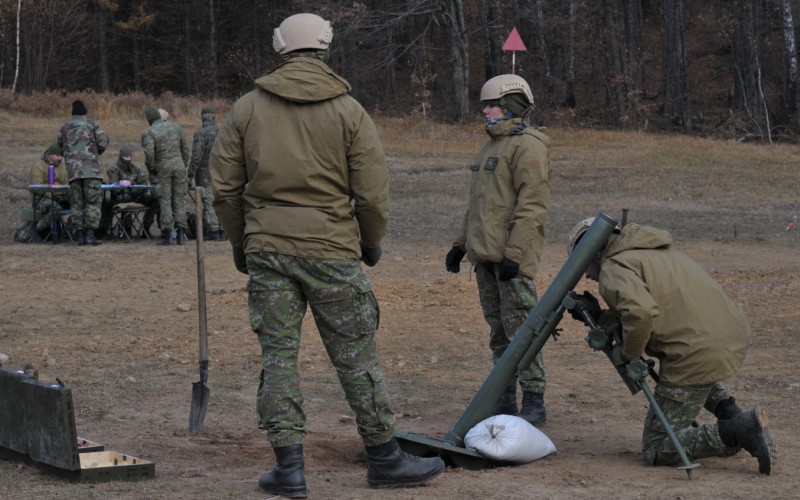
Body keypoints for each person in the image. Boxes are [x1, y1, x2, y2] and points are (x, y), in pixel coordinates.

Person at [209, 12, 444, 497]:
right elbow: (373, 193)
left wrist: (241, 243)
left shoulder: (247, 109)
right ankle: (384, 459)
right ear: (324, 47)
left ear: (280, 48)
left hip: (269, 249)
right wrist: (370, 242)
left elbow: (225, 191)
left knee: (279, 359)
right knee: (356, 357)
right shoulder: (349, 111)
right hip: (333, 249)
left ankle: (289, 468)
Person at [566, 218, 776, 474]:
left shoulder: (613, 269)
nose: (586, 275)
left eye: (583, 265)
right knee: (688, 375)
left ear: (594, 252)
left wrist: (629, 355)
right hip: (725, 336)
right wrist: (600, 317)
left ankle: (736, 430)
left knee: (658, 447)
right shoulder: (648, 251)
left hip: (696, 352)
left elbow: (641, 314)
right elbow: (653, 311)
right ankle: (732, 416)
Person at [445, 74, 552, 426]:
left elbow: (532, 207)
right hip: (485, 258)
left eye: (492, 106)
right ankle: (504, 395)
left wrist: (515, 254)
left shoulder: (529, 145)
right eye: (485, 106)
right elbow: (477, 206)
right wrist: (460, 246)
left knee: (522, 329)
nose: (485, 112)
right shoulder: (489, 147)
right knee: (498, 330)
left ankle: (534, 400)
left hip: (511, 261)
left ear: (511, 107)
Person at [57, 99, 109, 246]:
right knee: (93, 202)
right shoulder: (92, 125)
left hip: (74, 172)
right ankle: (90, 235)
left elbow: (60, 148)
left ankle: (79, 235)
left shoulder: (65, 127)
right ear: (85, 113)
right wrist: (94, 153)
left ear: (72, 113)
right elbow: (103, 143)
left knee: (77, 204)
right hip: (91, 171)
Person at [141, 106, 190, 245]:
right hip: (179, 166)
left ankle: (167, 234)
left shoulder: (149, 132)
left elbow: (149, 155)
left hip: (163, 168)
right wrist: (182, 163)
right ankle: (181, 234)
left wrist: (153, 169)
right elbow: (185, 149)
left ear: (149, 120)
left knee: (165, 200)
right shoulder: (176, 127)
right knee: (179, 199)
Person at [106, 145, 159, 238]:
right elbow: (114, 188)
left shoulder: (135, 168)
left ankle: (146, 229)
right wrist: (121, 184)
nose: (128, 159)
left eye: (129, 157)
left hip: (137, 195)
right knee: (126, 197)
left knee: (154, 199)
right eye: (126, 157)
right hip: (120, 198)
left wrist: (132, 184)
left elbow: (144, 183)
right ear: (120, 157)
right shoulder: (113, 169)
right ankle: (127, 230)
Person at [188, 106, 224, 241]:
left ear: (203, 118)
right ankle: (222, 230)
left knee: (209, 201)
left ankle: (213, 230)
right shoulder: (223, 131)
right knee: (221, 200)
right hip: (222, 172)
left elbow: (196, 156)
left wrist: (190, 174)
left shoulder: (201, 133)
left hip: (205, 174)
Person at [29, 143, 70, 243]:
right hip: (41, 199)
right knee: (57, 208)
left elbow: (66, 184)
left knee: (79, 204)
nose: (59, 159)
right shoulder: (39, 166)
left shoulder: (62, 168)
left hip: (60, 197)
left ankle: (70, 232)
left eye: (61, 156)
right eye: (57, 156)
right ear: (50, 155)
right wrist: (53, 194)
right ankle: (37, 228)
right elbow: (37, 187)